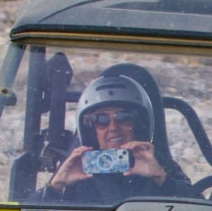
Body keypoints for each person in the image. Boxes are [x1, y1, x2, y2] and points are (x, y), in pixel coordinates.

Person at [42, 73, 176, 203]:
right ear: (91, 129)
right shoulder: (77, 170)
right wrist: (55, 187)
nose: (113, 127)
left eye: (124, 117)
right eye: (101, 120)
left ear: (138, 124)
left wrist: (161, 179)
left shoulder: (159, 166)